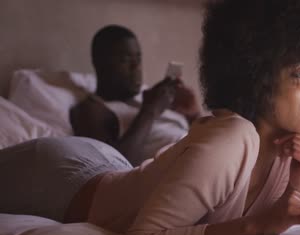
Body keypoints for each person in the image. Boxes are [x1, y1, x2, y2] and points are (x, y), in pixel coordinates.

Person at [0, 0, 300, 235]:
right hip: (58, 176)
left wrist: (298, 183)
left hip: (110, 165)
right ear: (254, 77)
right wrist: (256, 226)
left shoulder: (290, 144)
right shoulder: (231, 138)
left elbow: (273, 218)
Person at [69, 25, 201, 165]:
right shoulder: (91, 109)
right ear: (99, 62)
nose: (136, 67)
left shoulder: (151, 98)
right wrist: (150, 110)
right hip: (187, 168)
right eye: (125, 60)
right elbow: (111, 166)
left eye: (138, 59)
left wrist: (194, 116)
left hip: (207, 156)